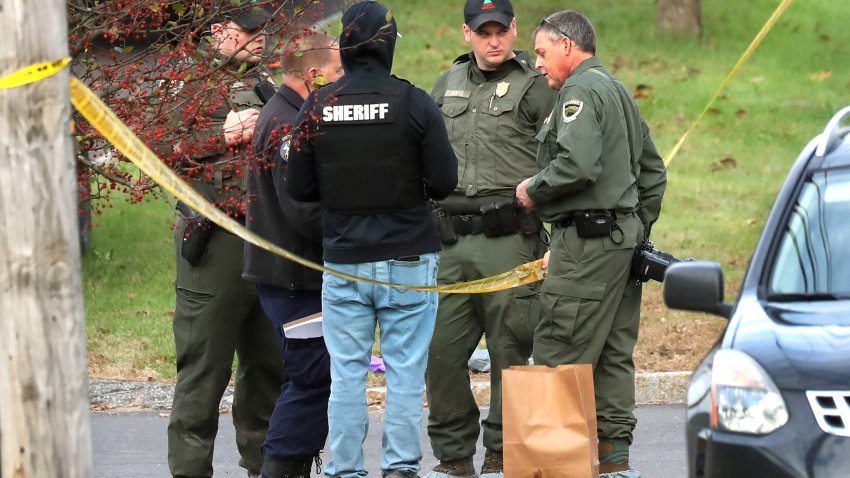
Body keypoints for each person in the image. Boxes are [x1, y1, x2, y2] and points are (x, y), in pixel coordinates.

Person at [285, 2, 458, 477]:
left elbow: (297, 187)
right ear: (387, 46)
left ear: (345, 44)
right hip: (409, 261)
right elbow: (445, 181)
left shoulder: (318, 105)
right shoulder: (415, 102)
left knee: (347, 375)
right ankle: (401, 468)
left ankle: (345, 471)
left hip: (345, 262)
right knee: (404, 374)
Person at [515, 10, 667, 478]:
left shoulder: (580, 91)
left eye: (541, 52)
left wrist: (533, 190)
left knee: (560, 349)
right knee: (612, 355)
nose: (538, 63)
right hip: (621, 246)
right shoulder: (618, 90)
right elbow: (653, 172)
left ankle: (554, 468)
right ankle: (615, 464)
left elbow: (577, 164)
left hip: (586, 246)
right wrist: (632, 229)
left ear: (567, 46)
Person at [423, 1, 556, 477]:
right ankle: (454, 456)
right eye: (484, 32)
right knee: (439, 353)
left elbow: (562, 158)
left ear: (515, 29)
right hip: (451, 244)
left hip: (510, 242)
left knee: (510, 353)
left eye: (502, 30)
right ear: (467, 34)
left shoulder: (537, 86)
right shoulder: (446, 83)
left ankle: (503, 453)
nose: (494, 40)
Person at [152, 9, 285, 478]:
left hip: (269, 243)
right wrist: (220, 135)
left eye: (265, 30)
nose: (260, 38)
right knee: (204, 373)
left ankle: (265, 467)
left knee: (268, 366)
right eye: (250, 30)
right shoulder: (189, 85)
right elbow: (157, 146)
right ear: (218, 33)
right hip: (215, 245)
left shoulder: (271, 83)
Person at [243, 31, 344, 478]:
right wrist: (351, 237)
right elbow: (299, 207)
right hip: (294, 279)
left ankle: (294, 463)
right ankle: (282, 467)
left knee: (309, 377)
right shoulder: (288, 123)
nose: (342, 81)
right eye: (338, 72)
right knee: (310, 378)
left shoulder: (286, 112)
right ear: (314, 74)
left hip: (289, 276)